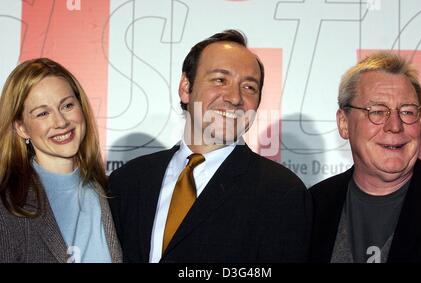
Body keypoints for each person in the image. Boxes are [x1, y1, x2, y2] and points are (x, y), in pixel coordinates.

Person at [108, 29, 312, 263]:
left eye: (249, 87)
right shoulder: (127, 181)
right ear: (186, 88)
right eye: (220, 80)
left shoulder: (282, 193)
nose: (235, 98)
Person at [309, 52, 421, 263]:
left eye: (408, 112)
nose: (395, 125)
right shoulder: (312, 206)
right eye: (376, 111)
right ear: (344, 123)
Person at [0, 58, 122, 263]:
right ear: (21, 128)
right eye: (43, 113)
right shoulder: (7, 206)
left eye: (66, 105)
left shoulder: (110, 194)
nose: (61, 122)